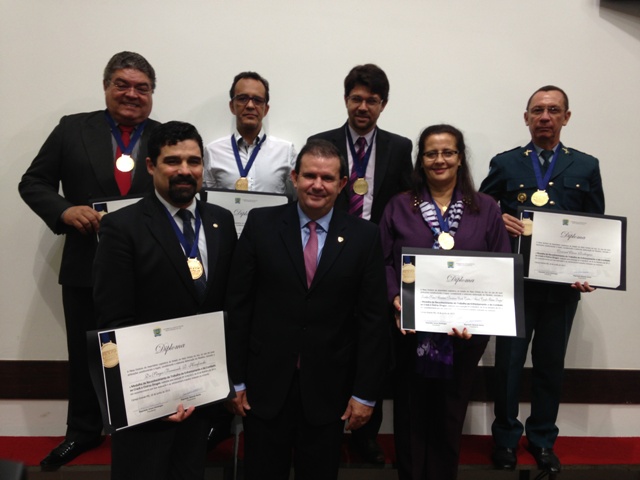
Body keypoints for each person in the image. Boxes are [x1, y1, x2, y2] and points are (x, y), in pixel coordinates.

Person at [18, 51, 160, 469]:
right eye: (122, 84)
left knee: (145, 350)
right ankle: (82, 430)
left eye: (142, 88)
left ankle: (142, 429)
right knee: (85, 352)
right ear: (105, 86)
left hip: (149, 267)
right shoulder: (72, 129)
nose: (131, 94)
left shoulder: (166, 136)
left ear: (152, 93)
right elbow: (33, 182)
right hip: (86, 264)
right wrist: (64, 211)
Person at [225, 139, 389, 480]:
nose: (317, 185)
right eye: (310, 175)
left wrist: (365, 394)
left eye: (327, 178)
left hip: (329, 391)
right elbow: (239, 306)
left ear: (342, 184)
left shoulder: (364, 237)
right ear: (294, 178)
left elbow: (373, 321)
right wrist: (234, 379)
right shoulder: (261, 224)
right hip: (264, 387)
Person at [93, 121, 237, 480]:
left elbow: (225, 303)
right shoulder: (121, 226)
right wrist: (158, 397)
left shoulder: (221, 221)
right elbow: (114, 318)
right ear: (150, 165)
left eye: (193, 161)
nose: (185, 170)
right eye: (173, 161)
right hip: (148, 406)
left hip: (202, 398)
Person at [480, 86, 605, 474]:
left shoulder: (585, 166)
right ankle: (505, 439)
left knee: (551, 366)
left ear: (566, 117)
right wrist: (497, 218)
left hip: (562, 290)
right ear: (526, 118)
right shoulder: (506, 163)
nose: (545, 117)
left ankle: (542, 439)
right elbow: (479, 210)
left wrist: (592, 271)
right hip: (515, 285)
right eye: (537, 110)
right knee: (508, 366)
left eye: (553, 110)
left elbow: (596, 228)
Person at [380, 124, 511, 480]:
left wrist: (481, 317)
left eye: (448, 152)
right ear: (420, 160)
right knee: (410, 413)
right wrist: (395, 297)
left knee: (450, 414)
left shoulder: (485, 208)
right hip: (409, 332)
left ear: (460, 157)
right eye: (431, 153)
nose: (440, 160)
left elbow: (500, 266)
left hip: (464, 336)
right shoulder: (400, 206)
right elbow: (383, 261)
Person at [308, 63, 413, 463]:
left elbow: (406, 203)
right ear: (346, 99)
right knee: (327, 340)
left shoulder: (399, 147)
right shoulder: (322, 142)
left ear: (383, 104)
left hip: (374, 256)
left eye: (371, 100)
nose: (363, 107)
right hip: (327, 254)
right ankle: (323, 425)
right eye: (356, 98)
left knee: (373, 341)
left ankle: (366, 435)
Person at [204, 71, 297, 199]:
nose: (250, 106)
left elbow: (296, 200)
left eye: (257, 100)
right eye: (242, 99)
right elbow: (208, 201)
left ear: (266, 109)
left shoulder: (286, 151)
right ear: (232, 106)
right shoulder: (213, 152)